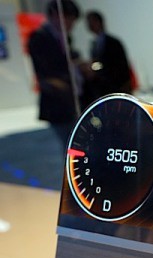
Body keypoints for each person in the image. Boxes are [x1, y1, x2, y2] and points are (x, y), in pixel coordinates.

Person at [28, 0, 81, 150]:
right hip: (57, 103)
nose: (71, 24)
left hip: (71, 101)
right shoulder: (40, 38)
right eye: (69, 19)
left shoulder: (64, 37)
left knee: (75, 143)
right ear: (56, 15)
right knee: (71, 146)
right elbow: (45, 72)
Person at [84, 10, 131, 103]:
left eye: (91, 22)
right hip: (101, 88)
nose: (89, 25)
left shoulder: (113, 42)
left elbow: (121, 66)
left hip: (114, 86)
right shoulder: (94, 44)